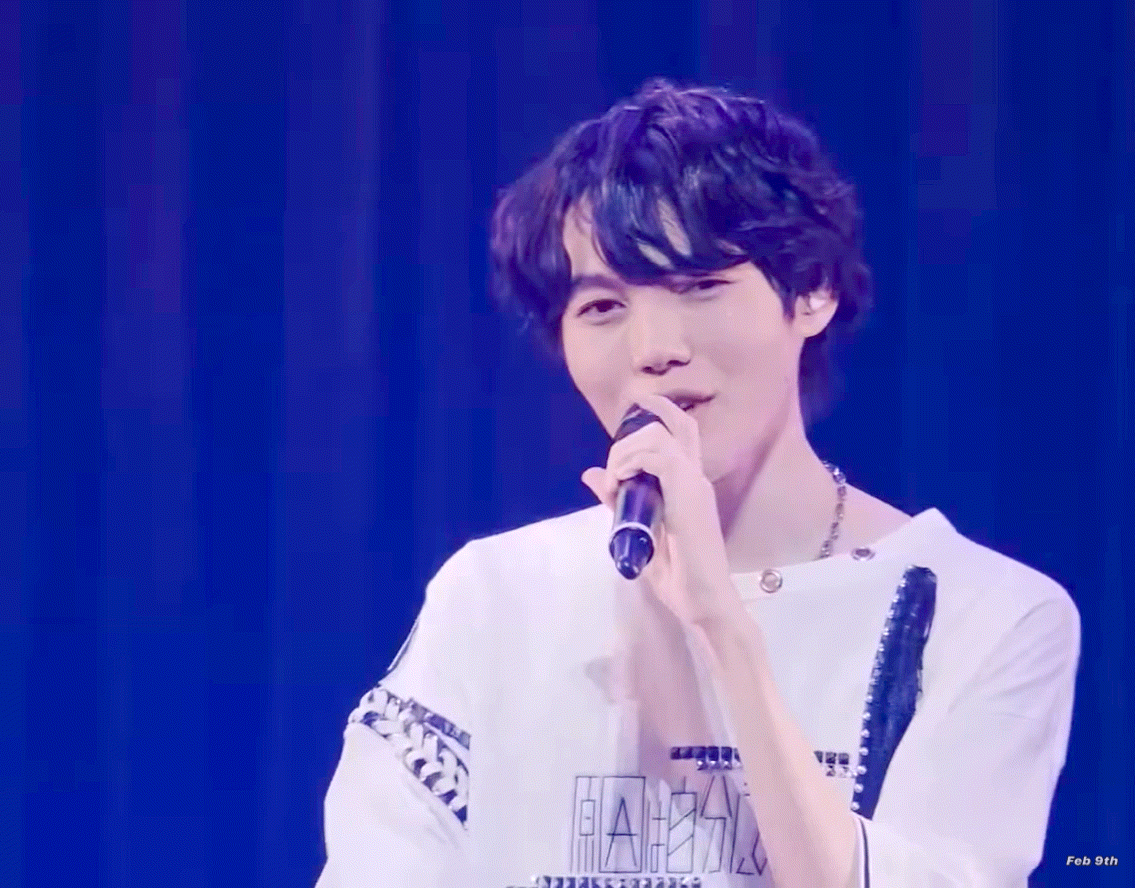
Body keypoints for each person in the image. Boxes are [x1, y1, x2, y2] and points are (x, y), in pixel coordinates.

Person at [315, 78, 1080, 888]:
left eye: (699, 287)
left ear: (811, 292)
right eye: (602, 307)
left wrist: (723, 626)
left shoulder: (980, 614)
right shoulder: (497, 594)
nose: (653, 348)